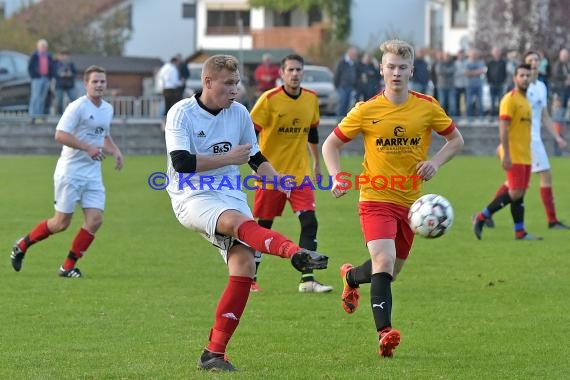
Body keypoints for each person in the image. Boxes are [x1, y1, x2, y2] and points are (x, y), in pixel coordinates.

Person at [164, 54, 328, 372]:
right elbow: (182, 164)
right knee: (236, 223)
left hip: (229, 192)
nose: (235, 90)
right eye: (228, 84)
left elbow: (254, 157)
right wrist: (229, 159)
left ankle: (214, 354)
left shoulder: (239, 113)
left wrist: (279, 181)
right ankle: (293, 252)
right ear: (207, 82)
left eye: (237, 83)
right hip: (191, 194)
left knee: (243, 266)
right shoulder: (181, 113)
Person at [321, 39, 464, 358]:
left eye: (402, 67)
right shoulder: (366, 109)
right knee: (383, 262)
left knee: (388, 273)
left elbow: (456, 140)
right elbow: (330, 145)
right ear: (381, 70)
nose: (396, 73)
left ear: (411, 70)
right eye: (390, 67)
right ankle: (385, 334)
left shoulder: (427, 106)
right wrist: (337, 175)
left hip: (412, 205)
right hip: (374, 196)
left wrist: (435, 162)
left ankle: (350, 277)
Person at [10, 65, 124, 277]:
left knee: (95, 220)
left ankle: (67, 267)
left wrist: (115, 150)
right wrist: (87, 147)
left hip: (93, 172)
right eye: (95, 81)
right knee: (60, 223)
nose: (99, 85)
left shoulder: (107, 109)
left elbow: (103, 135)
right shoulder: (77, 107)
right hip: (70, 171)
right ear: (86, 84)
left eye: (102, 81)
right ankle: (22, 245)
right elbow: (60, 135)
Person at [249, 54, 333, 294]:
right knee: (262, 226)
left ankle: (307, 280)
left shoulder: (311, 99)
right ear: (282, 74)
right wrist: (255, 165)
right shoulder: (269, 99)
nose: (295, 74)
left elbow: (313, 133)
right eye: (290, 70)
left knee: (309, 222)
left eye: (298, 70)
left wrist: (316, 164)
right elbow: (249, 132)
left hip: (299, 174)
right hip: (270, 175)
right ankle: (250, 279)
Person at [484, 52, 568, 230]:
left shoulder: (541, 87)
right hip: (526, 142)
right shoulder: (520, 90)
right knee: (542, 177)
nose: (535, 63)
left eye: (537, 60)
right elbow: (508, 120)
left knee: (514, 185)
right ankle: (551, 221)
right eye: (531, 61)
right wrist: (505, 146)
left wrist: (557, 137)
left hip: (534, 140)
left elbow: (544, 116)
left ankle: (488, 215)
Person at [472, 64, 541, 240]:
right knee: (516, 192)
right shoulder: (509, 99)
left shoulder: (526, 101)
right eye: (521, 75)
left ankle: (520, 231)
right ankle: (481, 217)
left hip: (525, 154)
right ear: (515, 78)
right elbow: (503, 128)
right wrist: (506, 152)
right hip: (514, 154)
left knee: (519, 192)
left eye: (527, 75)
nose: (525, 78)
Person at [28, 39, 55, 120]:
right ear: (38, 47)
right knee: (35, 97)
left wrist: (50, 77)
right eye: (41, 46)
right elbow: (30, 67)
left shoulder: (49, 56)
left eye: (44, 46)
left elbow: (52, 67)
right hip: (37, 79)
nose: (43, 48)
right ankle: (32, 116)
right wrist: (34, 76)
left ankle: (40, 116)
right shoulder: (34, 55)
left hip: (46, 78)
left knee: (42, 98)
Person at [334, 46, 359, 120]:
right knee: (342, 104)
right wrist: (337, 86)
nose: (355, 57)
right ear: (350, 54)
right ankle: (339, 121)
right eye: (354, 55)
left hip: (351, 87)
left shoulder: (354, 63)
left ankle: (344, 122)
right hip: (343, 87)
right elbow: (337, 74)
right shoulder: (342, 62)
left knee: (348, 105)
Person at [54, 50, 78, 115]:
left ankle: (74, 114)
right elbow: (53, 73)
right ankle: (60, 115)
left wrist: (70, 74)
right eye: (63, 56)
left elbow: (75, 73)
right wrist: (60, 74)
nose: (65, 57)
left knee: (74, 100)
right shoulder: (56, 64)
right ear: (60, 56)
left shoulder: (71, 64)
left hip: (70, 85)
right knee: (59, 101)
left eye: (66, 56)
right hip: (59, 85)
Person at [486, 47, 507, 116]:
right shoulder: (490, 62)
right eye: (495, 52)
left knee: (501, 101)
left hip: (500, 84)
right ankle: (492, 115)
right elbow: (487, 73)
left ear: (500, 53)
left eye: (498, 51)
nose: (496, 53)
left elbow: (505, 73)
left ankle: (500, 115)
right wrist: (489, 82)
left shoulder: (503, 62)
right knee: (492, 101)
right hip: (492, 84)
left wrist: (503, 81)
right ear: (492, 53)